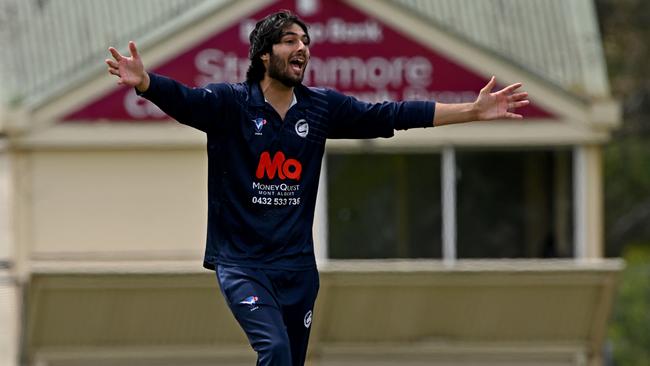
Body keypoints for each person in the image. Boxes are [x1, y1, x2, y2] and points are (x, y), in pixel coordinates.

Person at [106, 10, 529, 366]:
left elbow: (392, 114)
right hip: (243, 266)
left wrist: (472, 111)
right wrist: (146, 83)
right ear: (264, 53)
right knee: (273, 350)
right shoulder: (231, 104)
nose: (302, 48)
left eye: (306, 41)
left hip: (297, 270)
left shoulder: (321, 108)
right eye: (290, 40)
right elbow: (185, 100)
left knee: (289, 360)